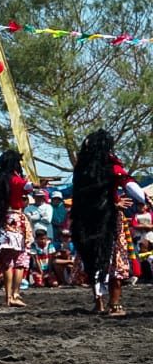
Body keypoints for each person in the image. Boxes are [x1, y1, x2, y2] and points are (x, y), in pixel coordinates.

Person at [70, 129, 146, 317]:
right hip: (108, 221)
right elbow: (134, 189)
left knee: (93, 260)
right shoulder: (113, 168)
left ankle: (99, 304)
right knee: (113, 261)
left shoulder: (81, 171)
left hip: (86, 222)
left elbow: (82, 197)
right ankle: (114, 305)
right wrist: (142, 200)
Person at [0, 151, 34, 307]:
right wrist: (36, 182)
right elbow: (28, 187)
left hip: (3, 220)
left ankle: (8, 296)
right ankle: (15, 294)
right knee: (20, 260)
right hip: (16, 220)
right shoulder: (15, 179)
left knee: (6, 260)